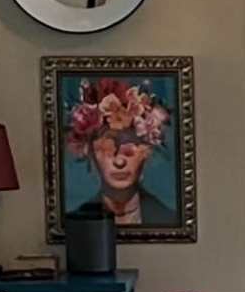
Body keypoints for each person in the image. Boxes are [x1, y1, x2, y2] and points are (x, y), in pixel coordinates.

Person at [65, 77, 175, 226]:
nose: (119, 161)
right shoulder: (74, 224)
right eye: (107, 148)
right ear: (90, 151)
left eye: (130, 147)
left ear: (147, 151)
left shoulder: (168, 221)